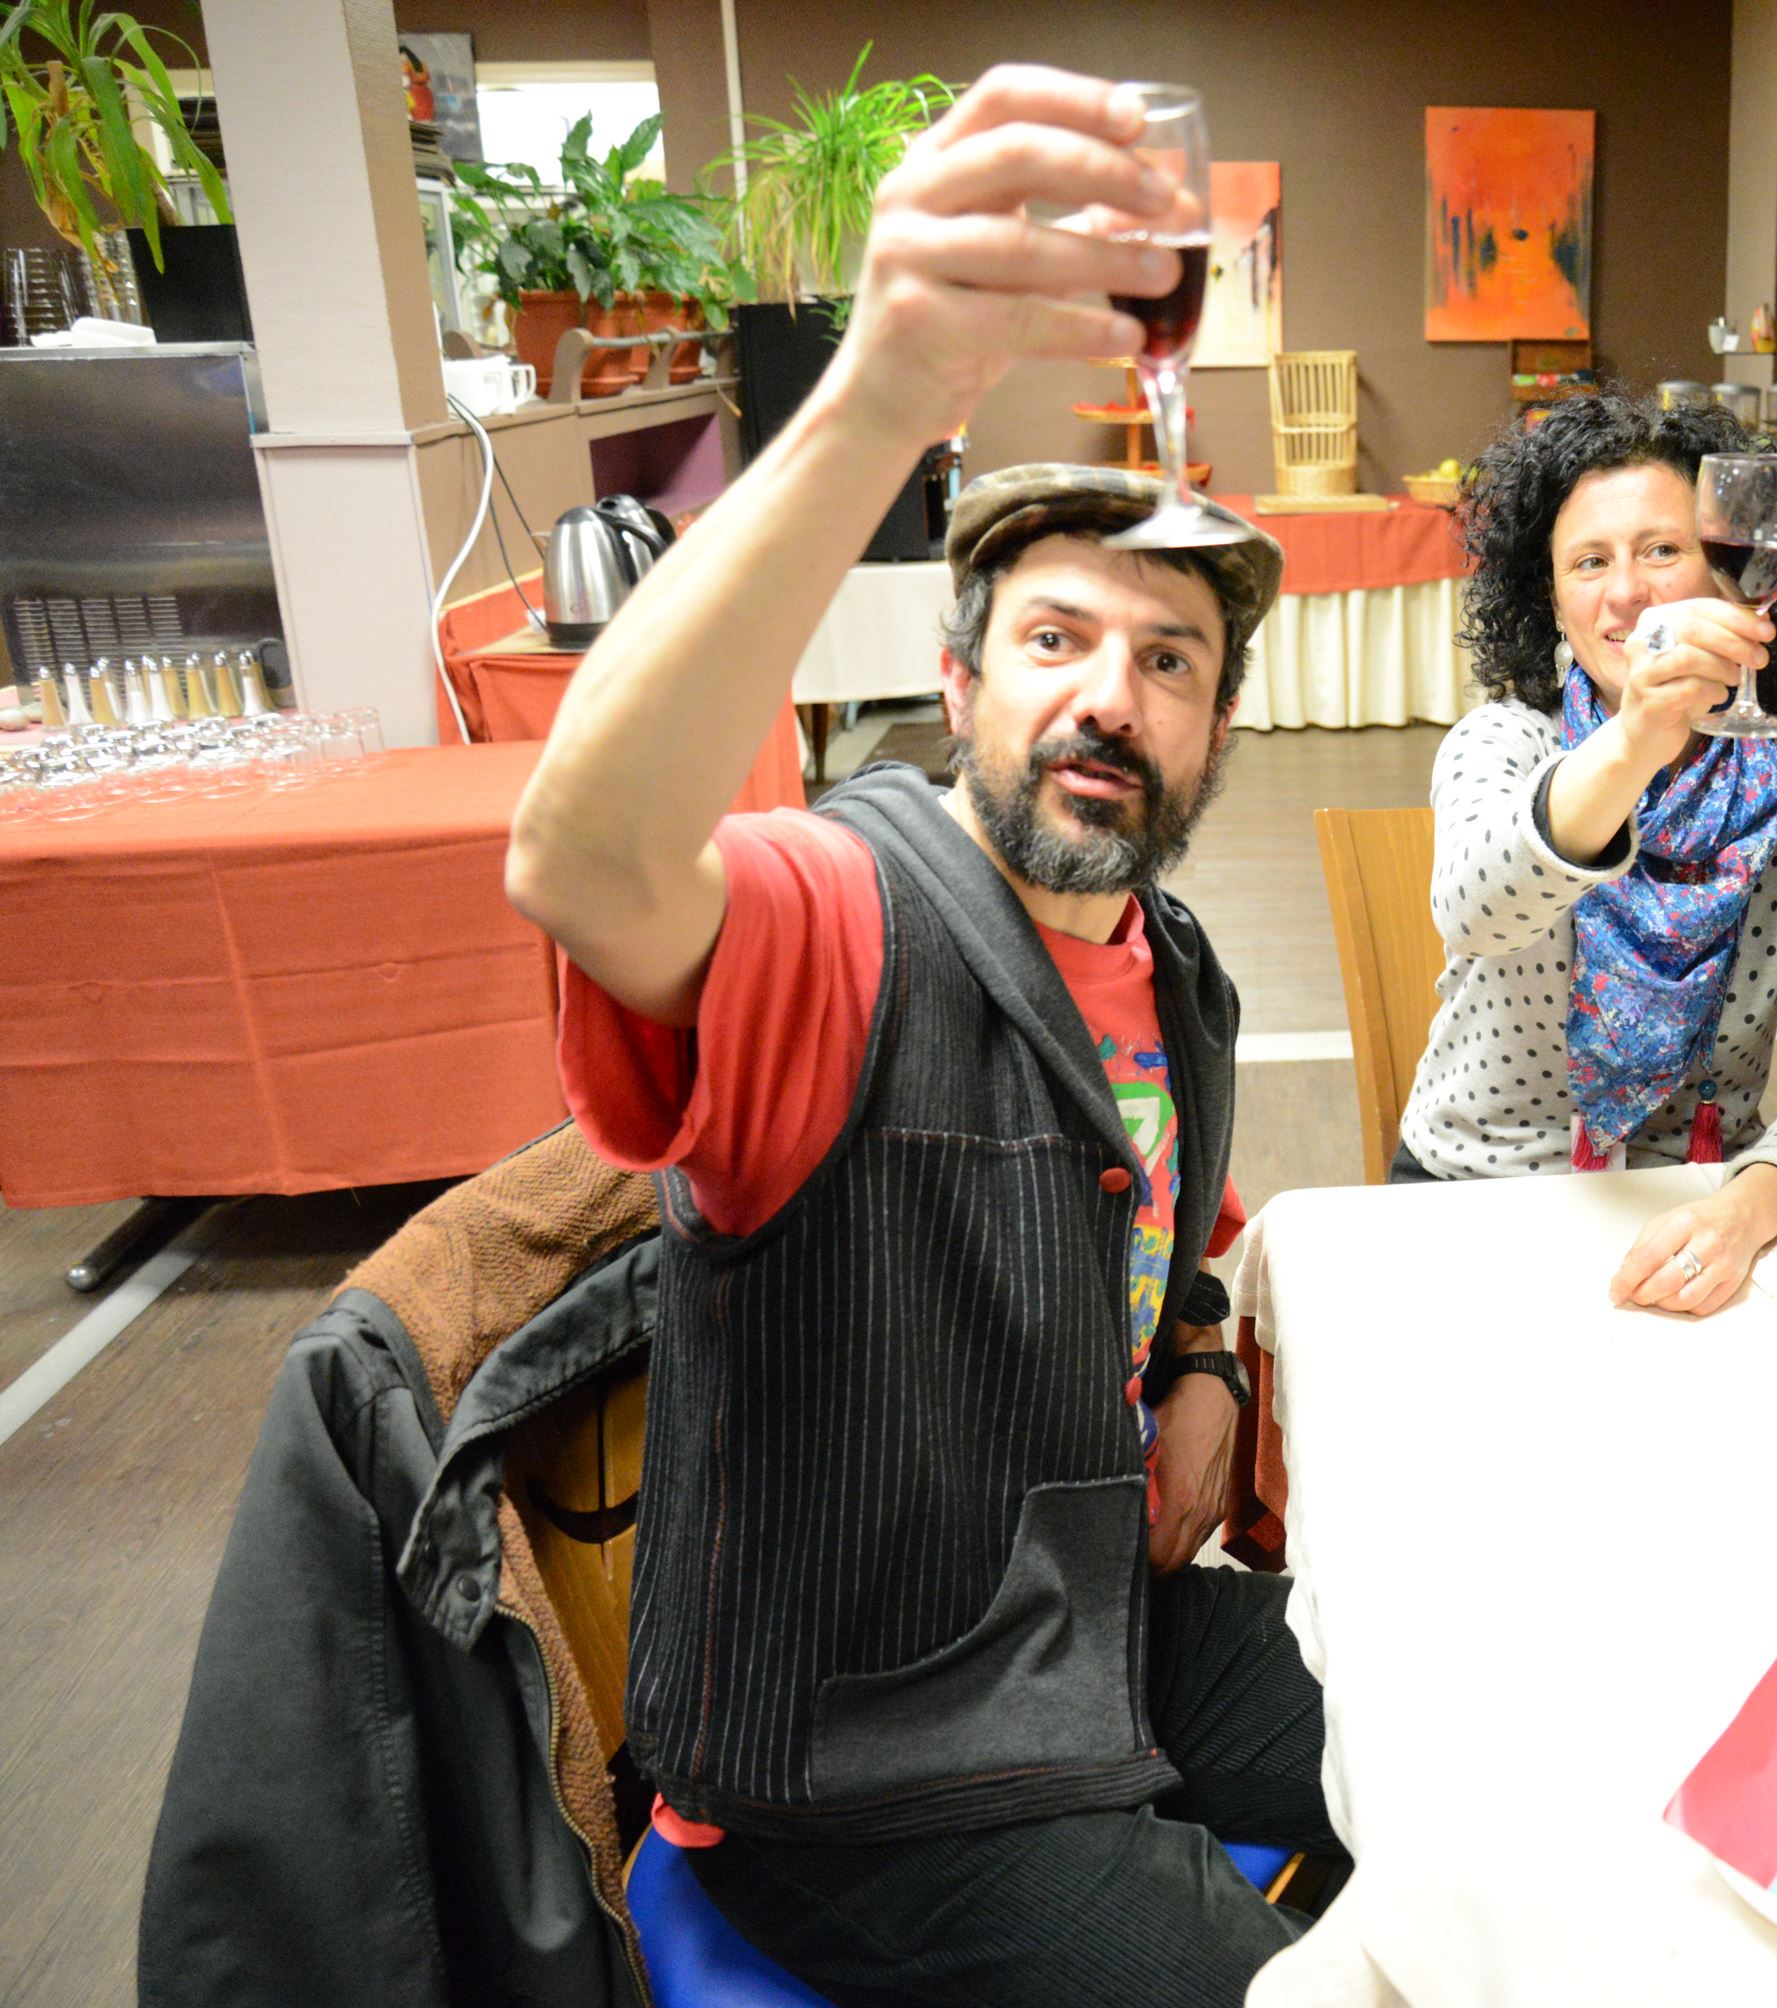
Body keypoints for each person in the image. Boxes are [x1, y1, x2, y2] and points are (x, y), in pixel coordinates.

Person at [503, 66, 1330, 2006]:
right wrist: (880, 391)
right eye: (1055, 638)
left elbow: (1165, 1239)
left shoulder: (1174, 971)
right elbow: (587, 858)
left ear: (1219, 727)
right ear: (955, 686)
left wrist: (1200, 1358)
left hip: (1088, 1626)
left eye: (1169, 657)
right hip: (863, 1760)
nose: (1109, 693)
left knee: (1480, 1733)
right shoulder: (841, 916)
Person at [1395, 393, 1777, 1316]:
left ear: (1735, 573)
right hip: (1478, 1195)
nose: (1626, 591)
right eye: (1590, 562)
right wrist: (1636, 740)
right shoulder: (1503, 743)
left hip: (1698, 1207)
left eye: (1662, 549)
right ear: (1552, 601)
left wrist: (1747, 1210)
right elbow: (1477, 914)